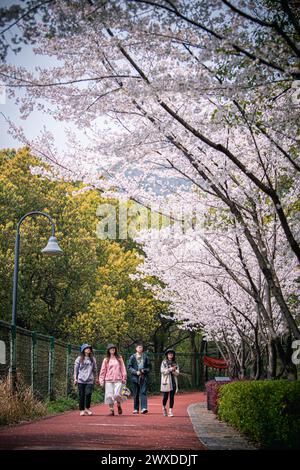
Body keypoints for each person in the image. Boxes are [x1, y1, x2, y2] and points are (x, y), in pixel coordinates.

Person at [99, 343, 127, 416]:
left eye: (113, 348)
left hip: (118, 379)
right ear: (108, 350)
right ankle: (111, 410)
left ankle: (118, 404)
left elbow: (123, 368)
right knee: (109, 395)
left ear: (115, 350)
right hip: (108, 380)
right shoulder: (106, 359)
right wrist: (101, 380)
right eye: (111, 348)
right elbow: (103, 370)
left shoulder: (119, 358)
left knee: (117, 394)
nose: (112, 349)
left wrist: (124, 377)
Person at [74, 343, 97, 416]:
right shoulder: (79, 359)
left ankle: (87, 408)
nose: (89, 349)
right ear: (83, 350)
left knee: (88, 394)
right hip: (81, 380)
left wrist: (97, 378)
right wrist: (75, 378)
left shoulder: (92, 359)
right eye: (87, 348)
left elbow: (95, 369)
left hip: (89, 380)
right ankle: (82, 410)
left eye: (89, 348)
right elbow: (76, 369)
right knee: (81, 395)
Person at [128, 342, 151, 414]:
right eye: (139, 347)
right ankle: (136, 409)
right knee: (136, 393)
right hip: (135, 378)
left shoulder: (146, 357)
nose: (140, 348)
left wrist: (144, 370)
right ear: (136, 348)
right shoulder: (132, 357)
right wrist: (135, 372)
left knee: (143, 392)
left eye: (141, 347)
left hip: (143, 377)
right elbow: (129, 367)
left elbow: (149, 367)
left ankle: (144, 408)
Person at [160, 349, 180, 417]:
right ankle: (164, 407)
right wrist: (170, 369)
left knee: (172, 397)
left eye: (172, 354)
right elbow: (162, 371)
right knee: (165, 397)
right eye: (169, 354)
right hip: (166, 382)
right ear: (167, 355)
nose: (170, 355)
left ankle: (170, 410)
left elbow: (177, 373)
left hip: (173, 382)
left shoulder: (175, 362)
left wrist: (174, 371)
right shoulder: (164, 362)